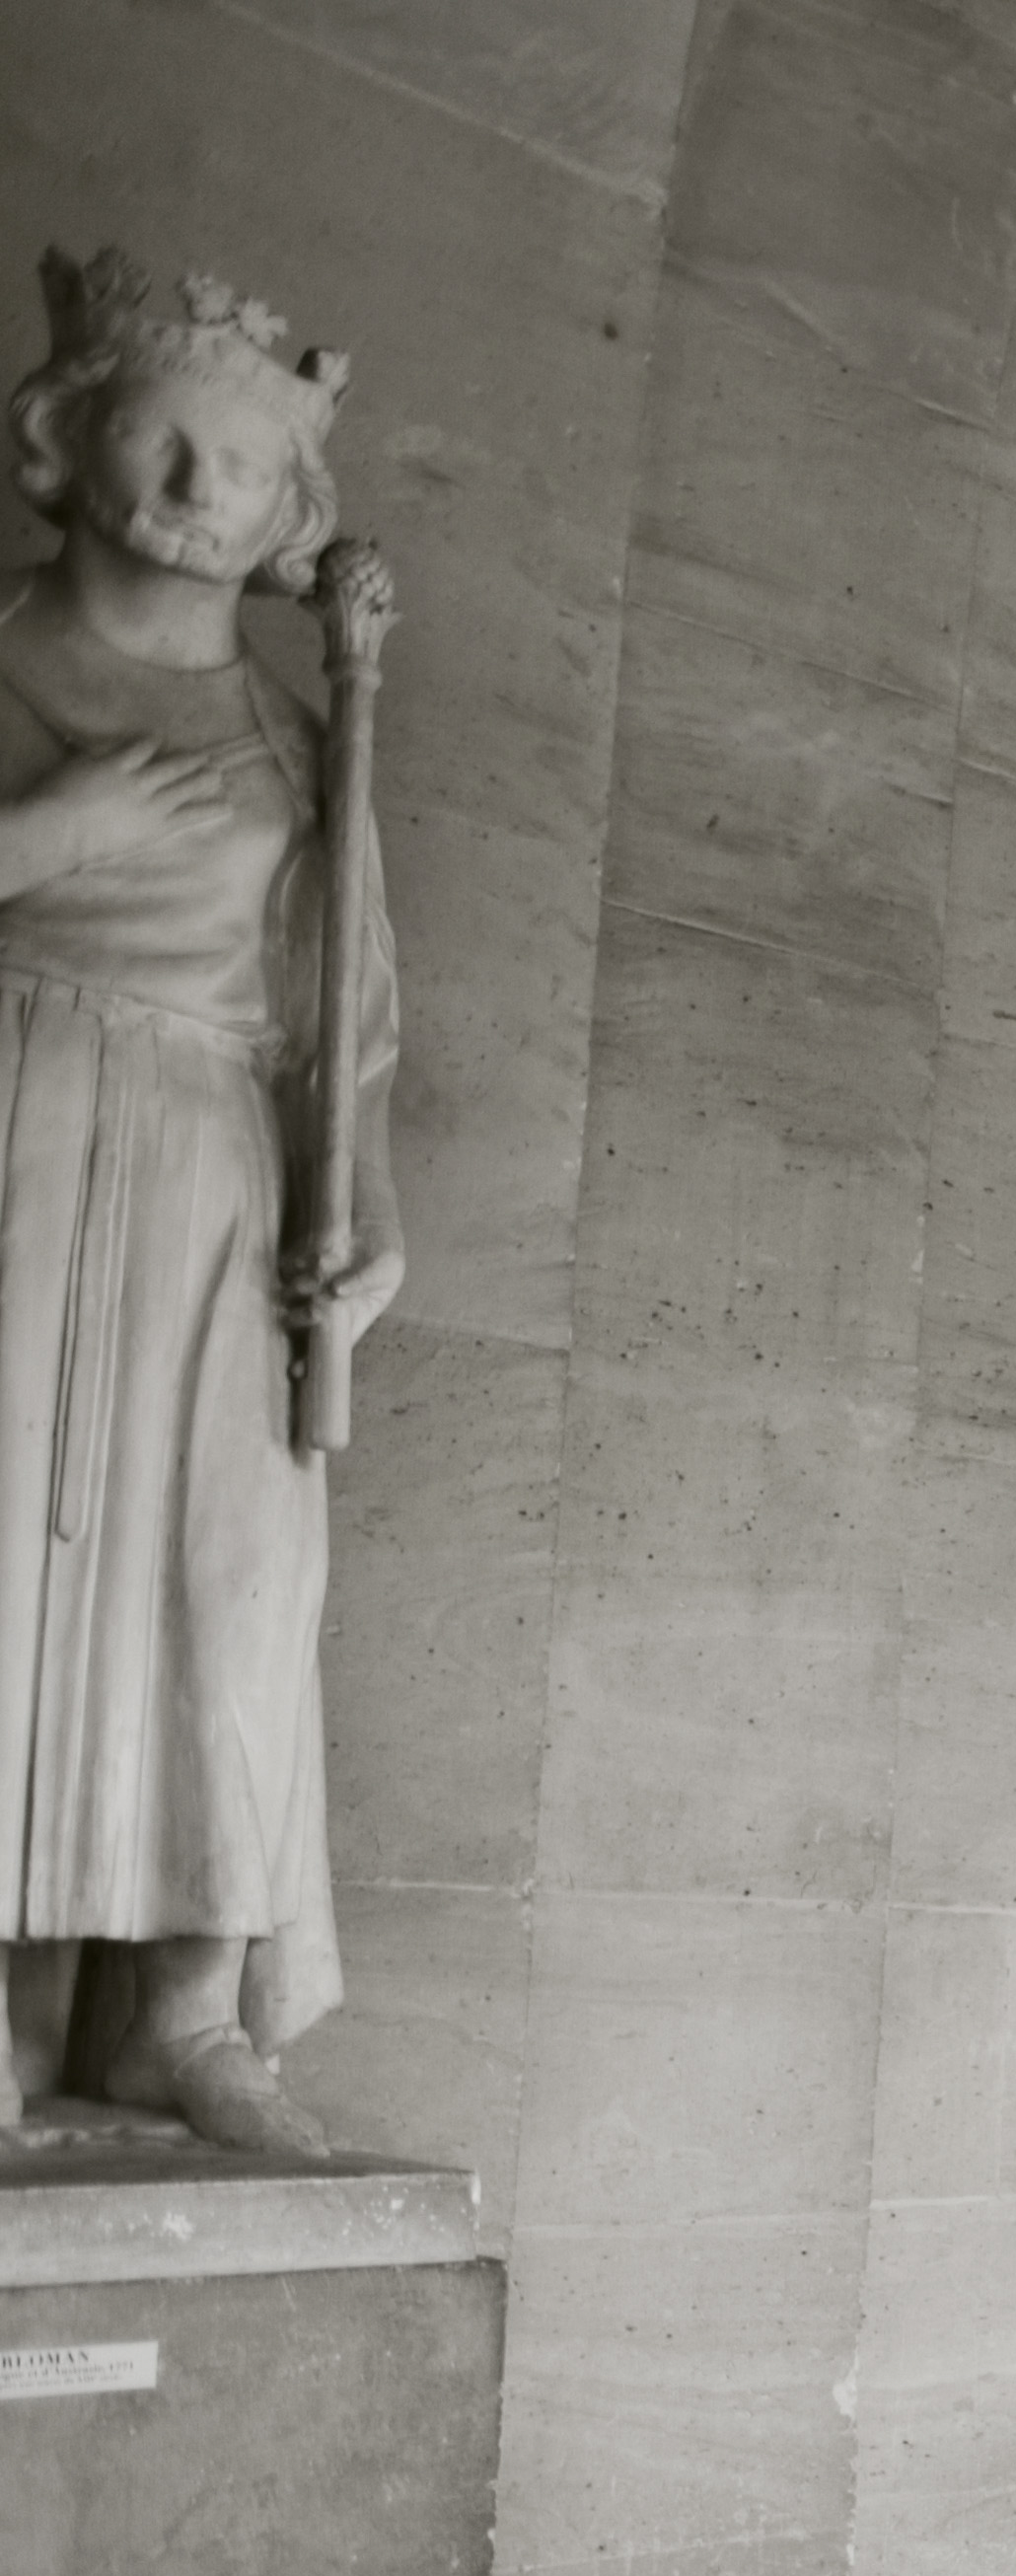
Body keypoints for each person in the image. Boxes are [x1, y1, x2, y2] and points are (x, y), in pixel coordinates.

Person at [0, 253, 397, 2151]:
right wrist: (46, 839)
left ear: (285, 508)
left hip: (218, 1185)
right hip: (18, 1135)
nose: (194, 479)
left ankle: (181, 2007)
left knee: (228, 1592)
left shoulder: (296, 746)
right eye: (157, 433)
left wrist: (371, 1222)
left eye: (240, 459)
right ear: (67, 442)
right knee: (14, 1578)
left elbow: (345, 1020)